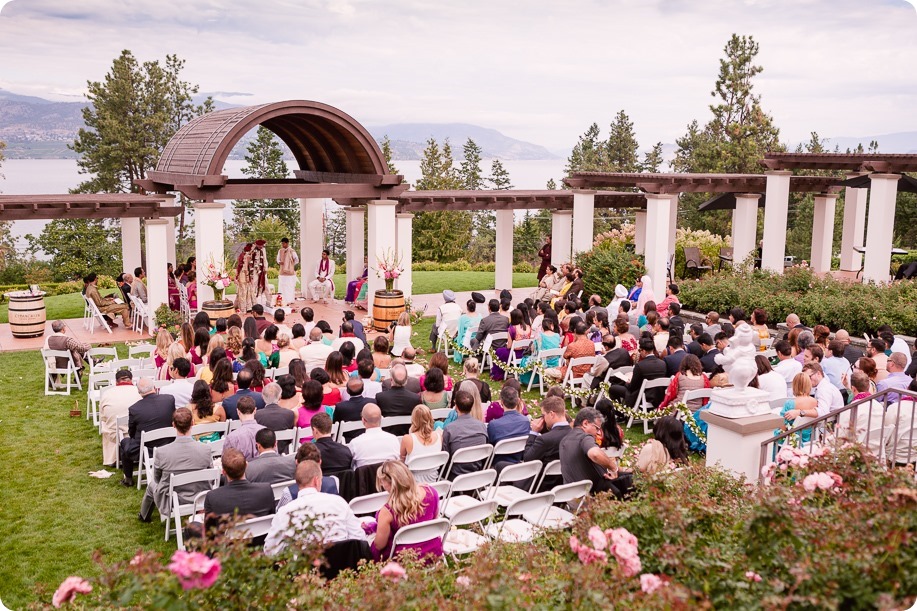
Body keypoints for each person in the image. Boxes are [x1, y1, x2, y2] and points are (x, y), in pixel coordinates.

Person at [264, 460, 365, 556]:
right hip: (343, 569)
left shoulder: (284, 513)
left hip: (305, 572)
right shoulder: (338, 502)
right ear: (316, 481)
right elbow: (359, 537)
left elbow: (270, 551)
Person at [138, 407, 213, 523]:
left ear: (173, 425)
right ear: (193, 423)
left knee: (152, 484)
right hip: (200, 497)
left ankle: (143, 516)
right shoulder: (206, 449)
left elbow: (157, 479)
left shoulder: (161, 452)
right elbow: (211, 477)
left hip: (174, 499)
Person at [370, 460, 443, 562]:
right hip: (433, 552)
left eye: (382, 481)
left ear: (391, 483)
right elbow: (434, 522)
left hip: (405, 559)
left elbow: (379, 545)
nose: (382, 484)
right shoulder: (431, 492)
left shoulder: (387, 511)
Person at [202, 448, 275, 537]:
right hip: (261, 545)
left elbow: (209, 534)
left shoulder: (213, 497)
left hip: (228, 548)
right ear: (246, 466)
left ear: (223, 472)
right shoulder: (266, 490)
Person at [559, 408, 630, 498]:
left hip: (572, 496)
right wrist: (614, 468)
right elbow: (595, 454)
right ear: (585, 423)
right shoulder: (584, 437)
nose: (597, 433)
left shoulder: (564, 440)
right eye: (596, 428)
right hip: (592, 495)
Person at [119, 378, 176, 487]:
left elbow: (131, 432)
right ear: (154, 387)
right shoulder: (169, 399)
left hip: (148, 449)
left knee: (124, 443)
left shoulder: (135, 409)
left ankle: (128, 478)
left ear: (139, 392)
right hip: (168, 443)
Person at [523, 396, 570, 490]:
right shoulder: (574, 433)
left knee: (501, 466)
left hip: (541, 487)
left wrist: (533, 432)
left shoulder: (545, 439)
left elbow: (527, 459)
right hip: (563, 486)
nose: (543, 419)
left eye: (543, 415)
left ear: (552, 414)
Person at [608, 336, 668, 410]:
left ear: (644, 351)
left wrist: (627, 382)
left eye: (640, 350)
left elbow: (632, 387)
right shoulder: (662, 363)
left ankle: (620, 412)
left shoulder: (640, 365)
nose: (639, 353)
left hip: (642, 395)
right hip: (658, 396)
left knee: (613, 388)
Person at [99, 369, 142, 466]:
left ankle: (112, 458)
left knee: (104, 424)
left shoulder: (107, 393)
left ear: (116, 381)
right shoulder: (139, 392)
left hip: (115, 433)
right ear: (131, 380)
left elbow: (103, 417)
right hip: (137, 433)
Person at [442, 390, 489, 478]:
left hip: (455, 474)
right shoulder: (481, 426)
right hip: (477, 471)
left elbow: (445, 456)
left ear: (456, 407)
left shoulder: (449, 429)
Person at [400, 405, 443, 483]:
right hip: (433, 480)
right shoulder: (439, 436)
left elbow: (402, 459)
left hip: (413, 482)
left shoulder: (408, 438)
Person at [348, 404, 400, 468]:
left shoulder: (355, 443)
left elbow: (350, 466)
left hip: (364, 478)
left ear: (363, 420)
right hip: (389, 477)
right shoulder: (393, 439)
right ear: (381, 418)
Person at [254, 383, 297, 448]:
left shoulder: (256, 415)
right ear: (280, 397)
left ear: (262, 397)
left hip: (264, 451)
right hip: (284, 451)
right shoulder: (289, 414)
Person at [222, 396, 264, 461]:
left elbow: (226, 461)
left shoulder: (232, 437)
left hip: (242, 470)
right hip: (263, 469)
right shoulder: (266, 431)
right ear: (255, 410)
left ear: (238, 412)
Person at [275, 237, 300, 305]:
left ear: (287, 243)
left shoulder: (292, 251)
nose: (282, 245)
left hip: (290, 273)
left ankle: (289, 300)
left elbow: (296, 259)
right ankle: (282, 299)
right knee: (282, 286)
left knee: (289, 286)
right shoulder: (280, 251)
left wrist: (291, 265)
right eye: (282, 243)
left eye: (283, 243)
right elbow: (277, 259)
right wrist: (279, 262)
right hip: (282, 271)